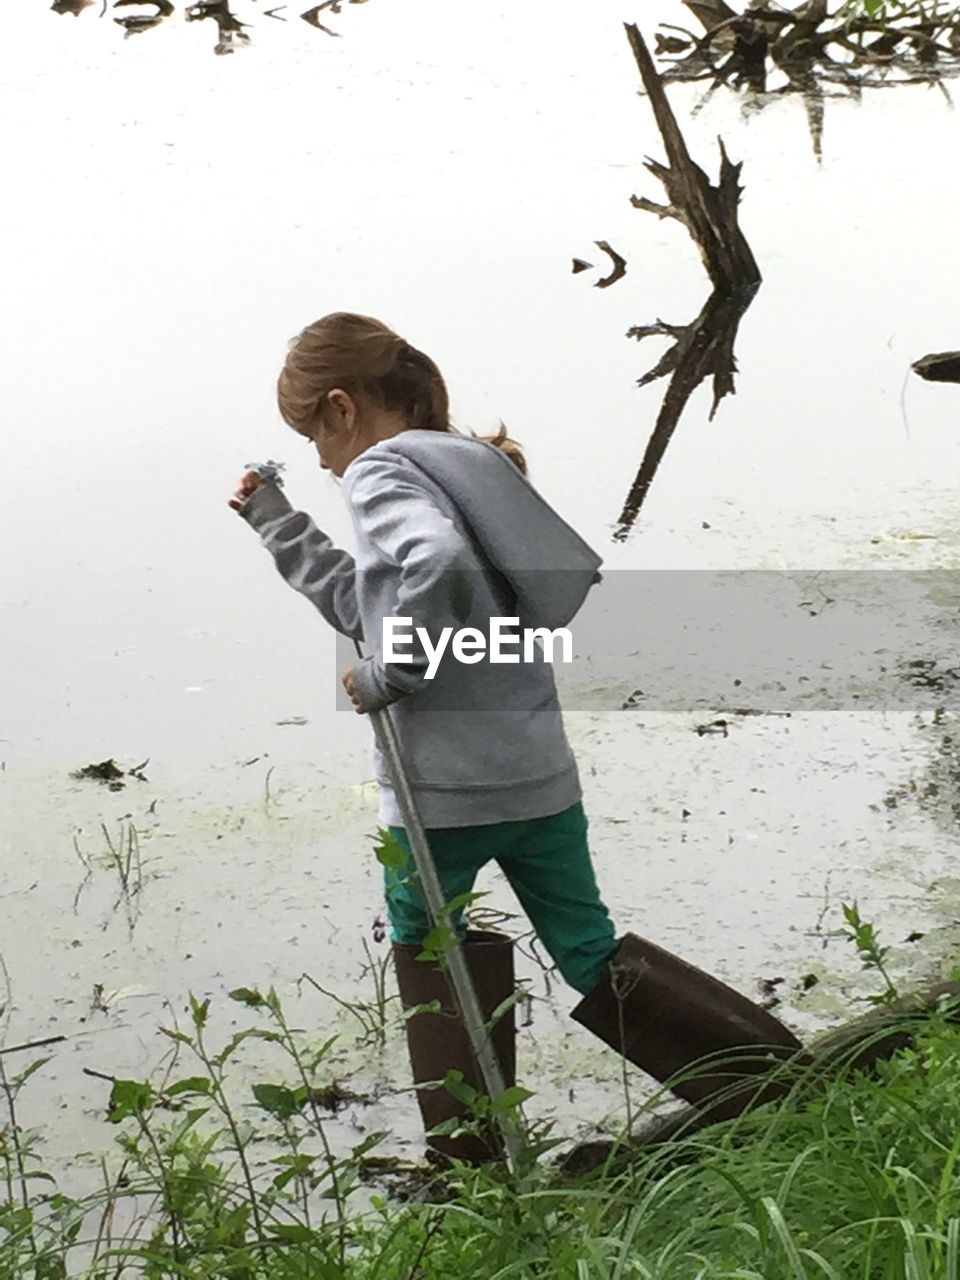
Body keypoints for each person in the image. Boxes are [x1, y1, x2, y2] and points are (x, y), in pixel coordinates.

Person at [230, 312, 801, 1161]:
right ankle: (780, 1085)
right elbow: (374, 605)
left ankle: (474, 1170)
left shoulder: (383, 474)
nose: (317, 459)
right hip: (538, 776)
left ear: (342, 408)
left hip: (446, 793)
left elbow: (436, 569)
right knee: (588, 950)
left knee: (428, 947)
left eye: (312, 434)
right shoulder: (471, 467)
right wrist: (279, 523)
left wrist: (391, 676)